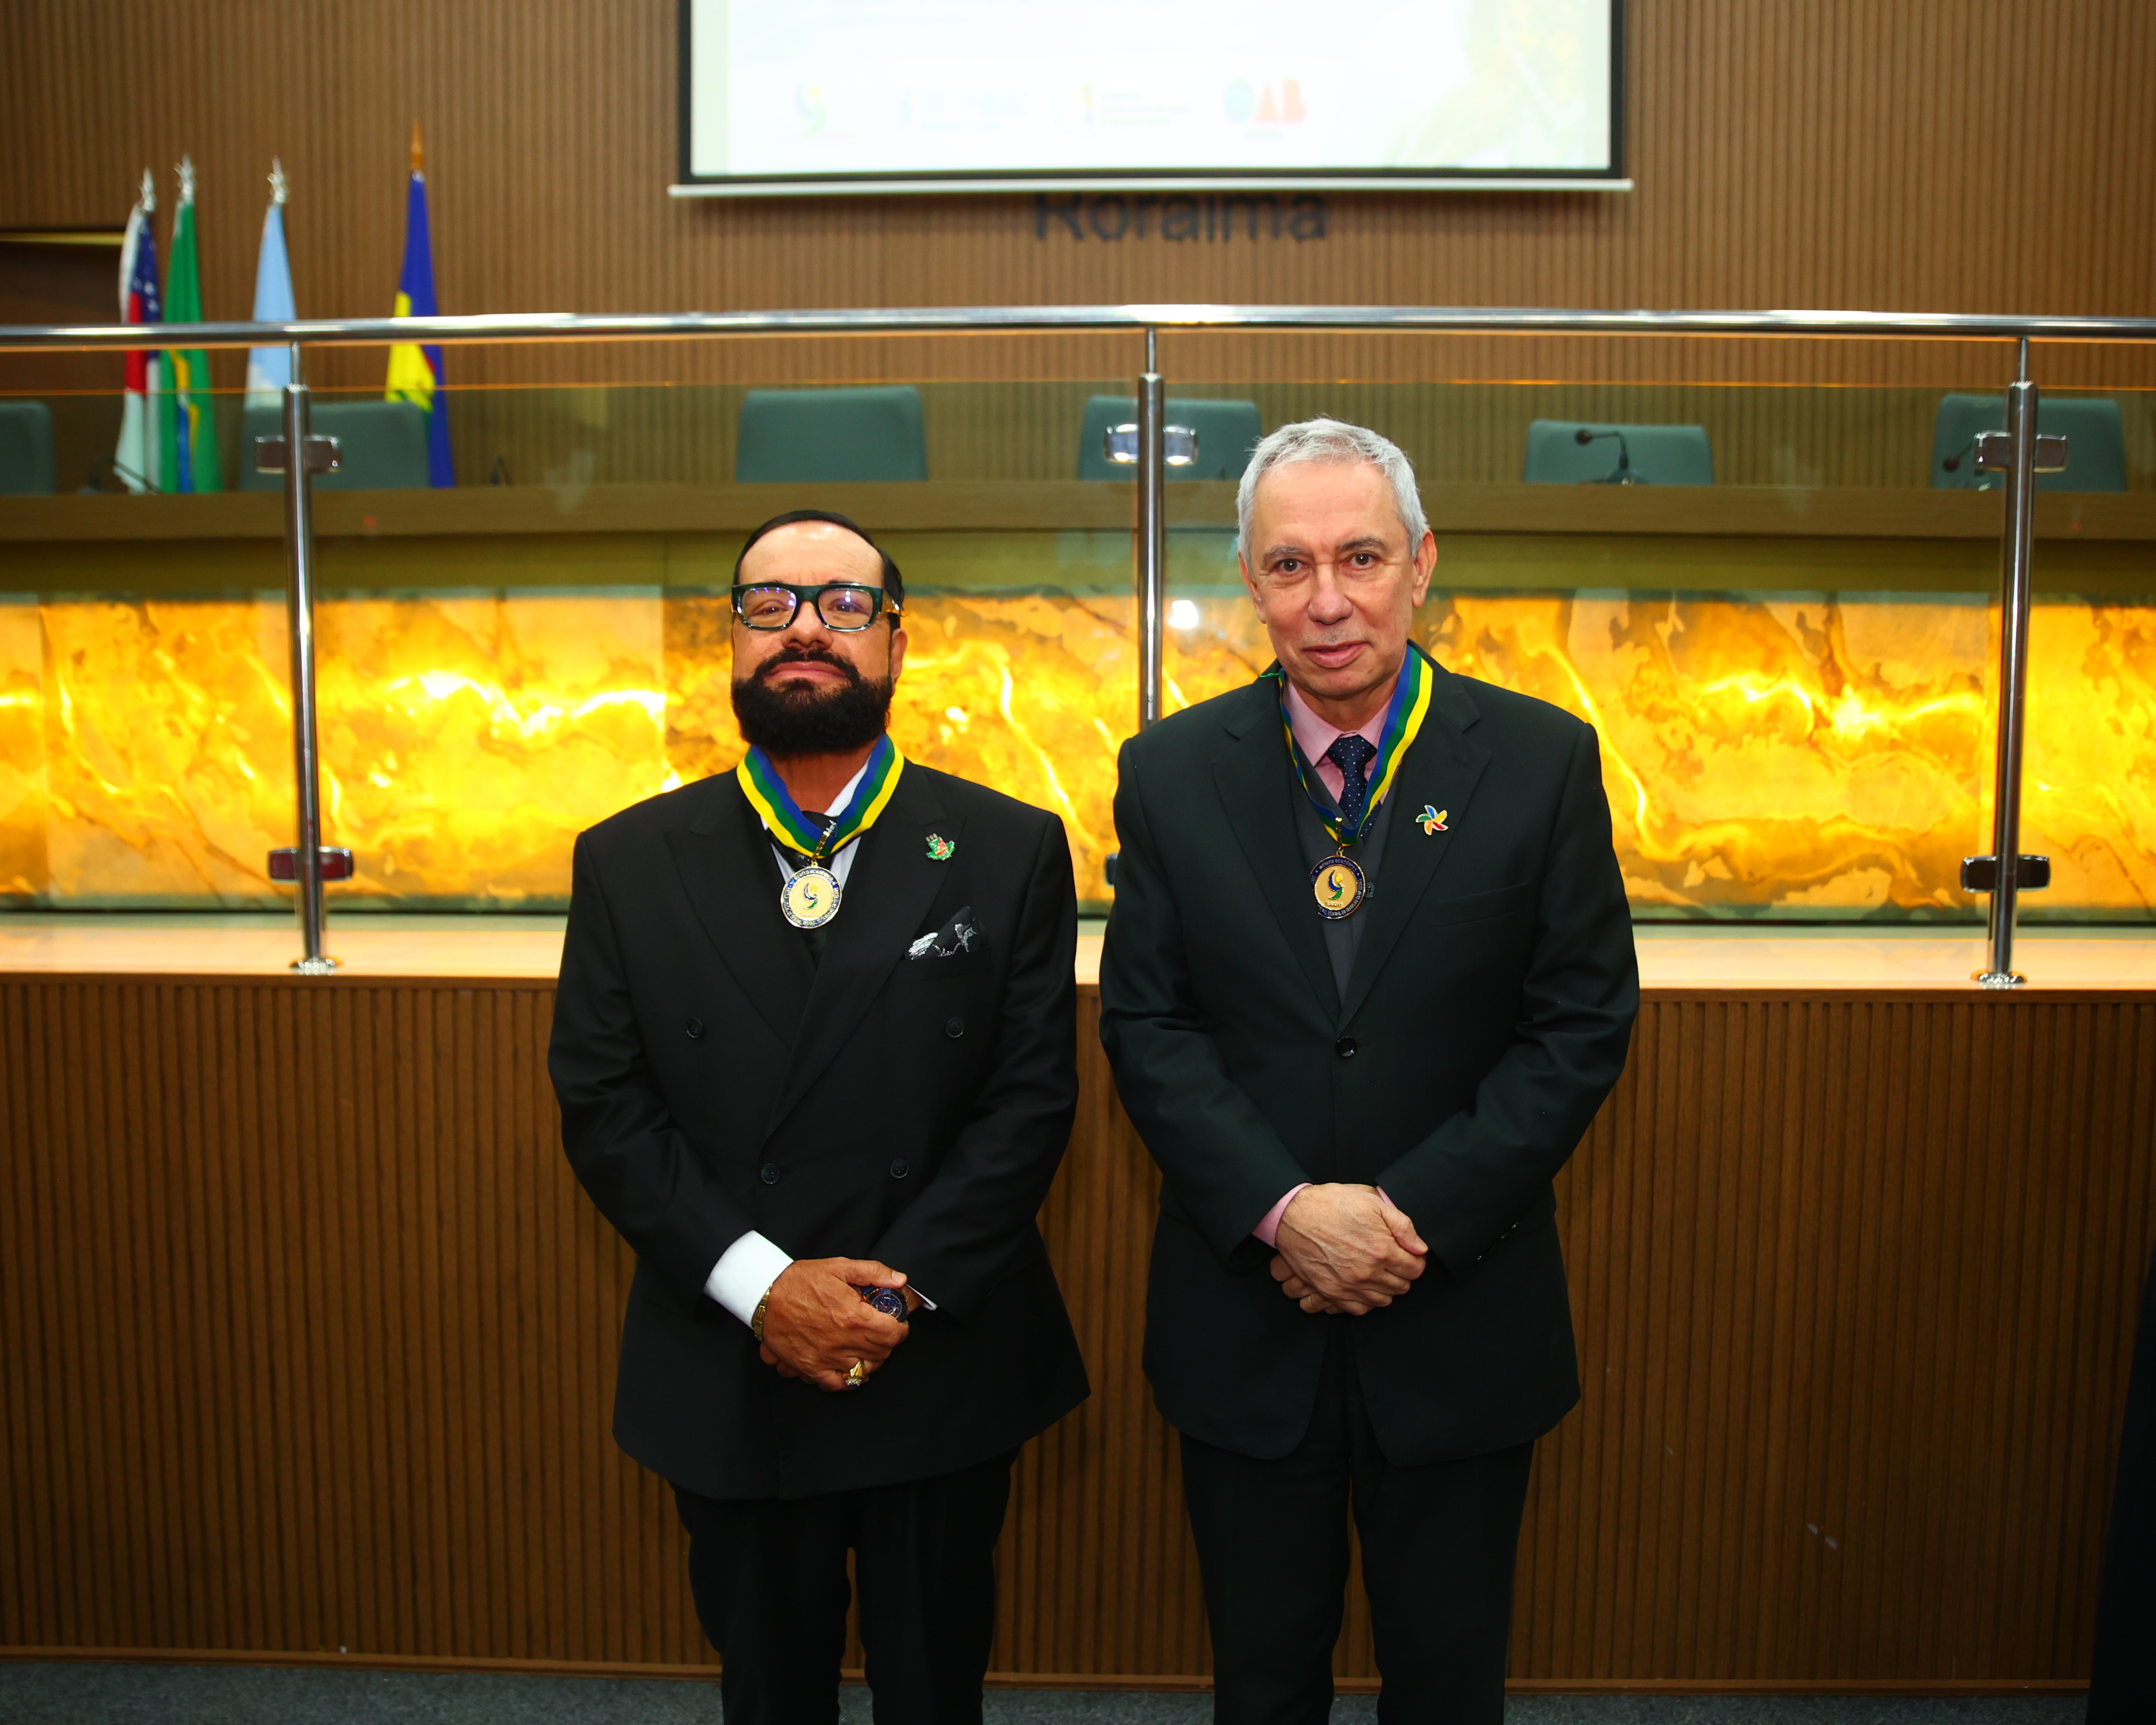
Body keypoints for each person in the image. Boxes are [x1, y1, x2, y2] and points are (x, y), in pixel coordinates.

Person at [1099, 420, 1638, 1723]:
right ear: (1249, 579)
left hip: (1457, 1312)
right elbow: (1149, 1025)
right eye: (1289, 566)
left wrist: (1402, 1219)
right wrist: (1290, 1212)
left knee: (1448, 1685)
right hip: (1249, 1319)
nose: (1327, 600)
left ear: (1421, 565)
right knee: (1262, 1682)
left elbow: (1579, 1025)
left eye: (1360, 557)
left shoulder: (1542, 761)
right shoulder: (1169, 774)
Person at [549, 509, 1088, 1725]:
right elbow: (605, 1105)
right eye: (768, 605)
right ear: (729, 643)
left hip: (934, 1348)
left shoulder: (1009, 850)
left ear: (897, 642)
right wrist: (768, 1289)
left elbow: (1031, 1100)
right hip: (732, 1351)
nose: (804, 628)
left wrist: (886, 1296)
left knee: (935, 1689)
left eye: (844, 605)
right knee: (768, 1692)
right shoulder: (629, 860)